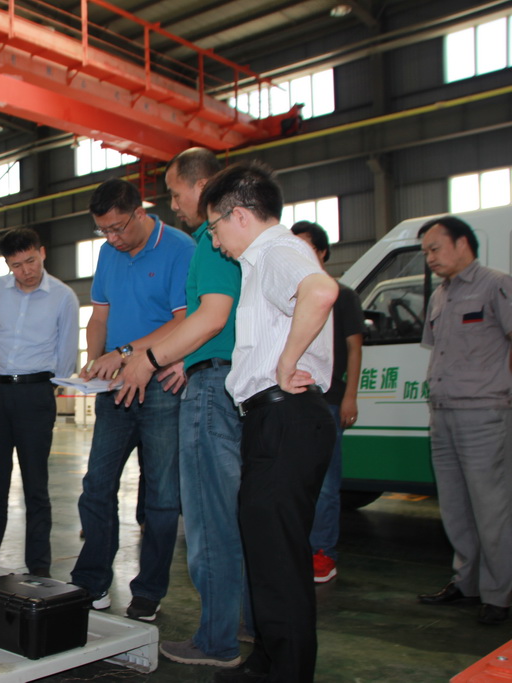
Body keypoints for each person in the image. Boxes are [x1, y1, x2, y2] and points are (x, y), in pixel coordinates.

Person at [198, 162, 337, 683]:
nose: (215, 242)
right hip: (273, 420)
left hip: (284, 416)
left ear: (238, 215)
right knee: (268, 550)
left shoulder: (277, 250)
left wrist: (287, 360)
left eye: (214, 228)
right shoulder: (262, 261)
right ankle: (269, 661)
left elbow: (321, 292)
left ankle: (287, 672)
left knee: (278, 556)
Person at [117, 148, 246, 665]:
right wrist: (182, 359)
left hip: (213, 390)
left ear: (203, 185)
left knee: (210, 519)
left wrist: (149, 358)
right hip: (219, 375)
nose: (173, 205)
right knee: (236, 516)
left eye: (175, 193)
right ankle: (245, 624)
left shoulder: (213, 242)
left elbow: (211, 317)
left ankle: (216, 641)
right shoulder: (233, 242)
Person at [71, 178, 195, 622]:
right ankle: (91, 581)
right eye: (103, 230)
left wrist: (124, 352)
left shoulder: (179, 248)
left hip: (163, 385)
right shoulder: (109, 253)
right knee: (96, 485)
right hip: (115, 390)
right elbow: (98, 316)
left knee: (162, 495)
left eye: (118, 228)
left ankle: (148, 590)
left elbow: (184, 321)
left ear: (140, 213)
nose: (112, 238)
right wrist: (93, 361)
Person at [415, 216, 512, 626]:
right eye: (426, 252)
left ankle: (499, 594)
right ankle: (466, 583)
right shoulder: (440, 296)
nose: (430, 258)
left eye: (435, 249)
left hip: (484, 413)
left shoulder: (496, 285)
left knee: (492, 508)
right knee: (455, 507)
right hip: (442, 413)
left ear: (462, 244)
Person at [0, 228, 78, 577]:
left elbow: (67, 355)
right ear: (7, 265)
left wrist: (45, 390)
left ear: (43, 252)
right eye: (17, 265)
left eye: (31, 261)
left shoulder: (63, 297)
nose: (26, 271)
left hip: (36, 395)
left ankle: (39, 569)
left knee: (36, 486)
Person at [291, 220, 364, 584]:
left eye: (306, 247)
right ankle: (299, 548)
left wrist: (349, 396)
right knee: (296, 480)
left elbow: (354, 348)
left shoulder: (341, 295)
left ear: (321, 252)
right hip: (294, 398)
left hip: (330, 401)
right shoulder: (290, 296)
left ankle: (323, 553)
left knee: (326, 482)